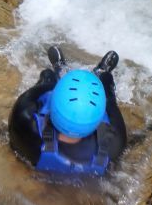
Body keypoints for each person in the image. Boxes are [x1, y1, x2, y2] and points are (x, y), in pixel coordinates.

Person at [8, 46, 126, 176]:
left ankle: (59, 71)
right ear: (97, 121)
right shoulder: (115, 143)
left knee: (47, 76)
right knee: (107, 88)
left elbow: (34, 93)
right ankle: (103, 73)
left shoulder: (24, 122)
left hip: (39, 146)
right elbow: (111, 104)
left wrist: (51, 81)